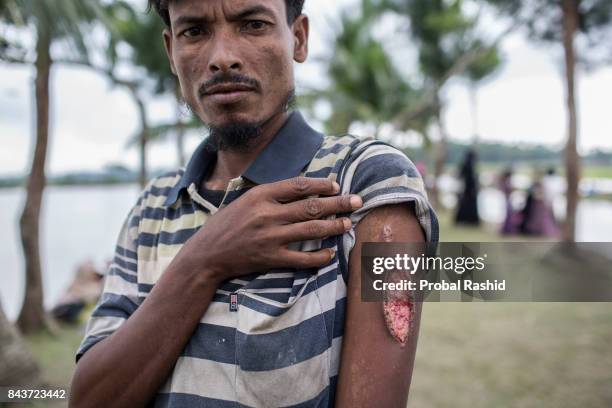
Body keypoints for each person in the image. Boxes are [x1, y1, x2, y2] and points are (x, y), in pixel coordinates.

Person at [70, 1, 438, 407]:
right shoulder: (151, 210)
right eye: (194, 31)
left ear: (297, 38)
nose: (223, 58)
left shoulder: (365, 182)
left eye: (253, 25)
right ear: (171, 50)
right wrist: (204, 260)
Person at [455, 149, 480, 225]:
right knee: (468, 203)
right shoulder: (468, 164)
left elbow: (460, 175)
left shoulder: (466, 164)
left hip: (468, 188)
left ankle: (466, 219)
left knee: (466, 203)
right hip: (469, 188)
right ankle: (469, 220)